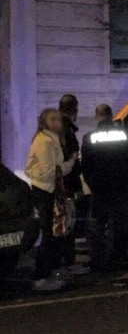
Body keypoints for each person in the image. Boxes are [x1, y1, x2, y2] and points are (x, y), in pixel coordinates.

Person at [82, 104, 128, 271]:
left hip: (100, 189)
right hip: (122, 188)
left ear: (97, 117)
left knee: (96, 226)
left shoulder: (89, 138)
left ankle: (99, 262)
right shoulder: (127, 135)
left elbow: (86, 167)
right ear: (111, 115)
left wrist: (93, 184)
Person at [25, 108, 76, 291]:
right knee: (49, 233)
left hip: (49, 189)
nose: (56, 122)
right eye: (52, 119)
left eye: (58, 119)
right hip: (46, 191)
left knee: (54, 232)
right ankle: (41, 275)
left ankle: (49, 271)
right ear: (44, 122)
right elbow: (50, 172)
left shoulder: (51, 139)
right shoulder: (45, 141)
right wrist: (70, 163)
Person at [57, 94, 89, 276]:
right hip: (66, 185)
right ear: (74, 109)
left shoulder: (59, 127)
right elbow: (70, 158)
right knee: (68, 224)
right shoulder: (65, 129)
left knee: (66, 224)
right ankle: (67, 263)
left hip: (63, 184)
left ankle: (67, 262)